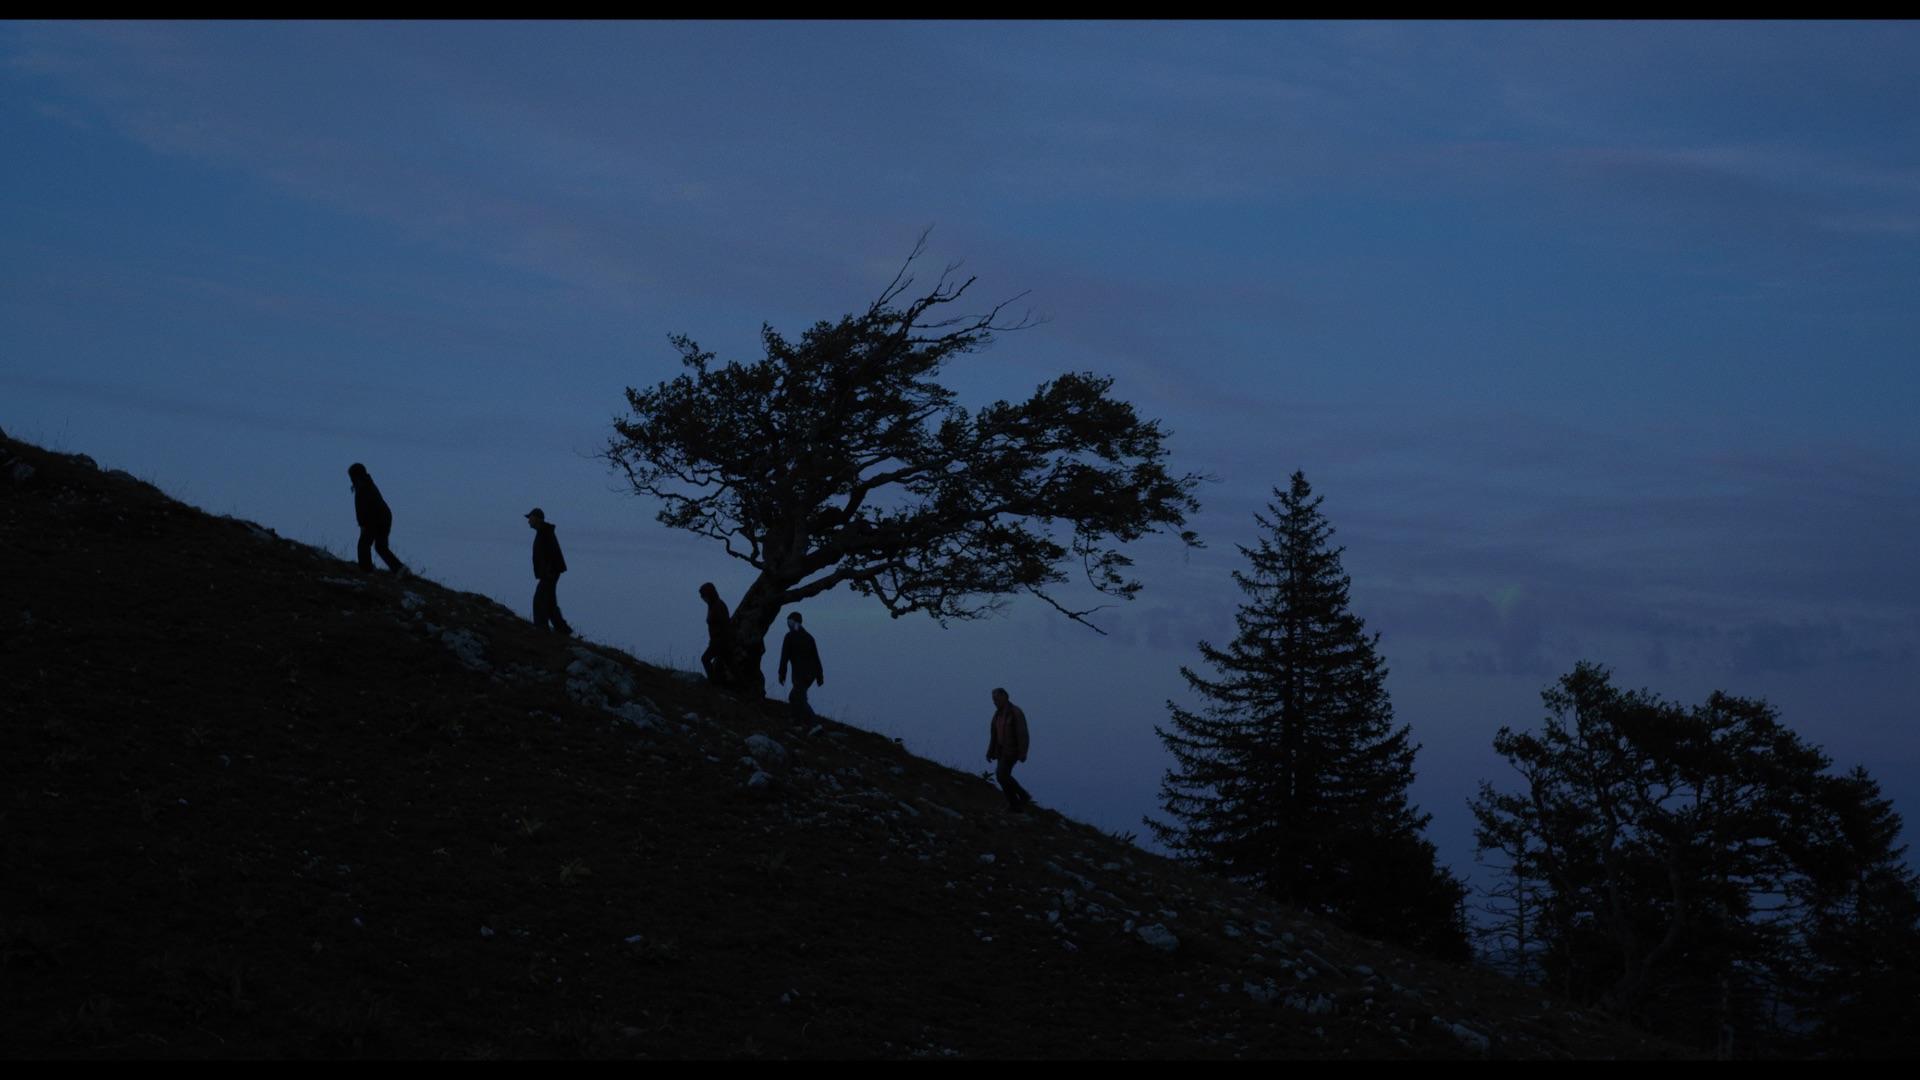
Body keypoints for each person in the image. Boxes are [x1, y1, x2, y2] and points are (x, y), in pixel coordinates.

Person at [347, 463, 406, 576]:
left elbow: (361, 506)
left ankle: (366, 572)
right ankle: (400, 569)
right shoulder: (369, 483)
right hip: (385, 515)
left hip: (375, 517)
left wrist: (362, 524)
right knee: (381, 547)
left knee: (363, 544)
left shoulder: (360, 486)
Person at [525, 508, 573, 636]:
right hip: (550, 572)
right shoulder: (544, 531)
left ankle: (541, 627)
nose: (528, 521)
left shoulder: (544, 532)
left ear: (537, 518)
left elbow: (551, 553)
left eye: (530, 518)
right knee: (550, 601)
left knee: (540, 599)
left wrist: (549, 570)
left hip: (550, 572)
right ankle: (563, 629)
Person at [986, 687, 1033, 813]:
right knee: (1002, 777)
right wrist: (990, 751)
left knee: (1001, 774)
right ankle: (1014, 804)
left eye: (997, 699)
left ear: (1004, 697)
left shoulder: (1015, 712)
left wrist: (1023, 752)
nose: (995, 702)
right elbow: (994, 735)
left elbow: (1022, 734)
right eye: (993, 700)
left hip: (1012, 750)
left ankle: (1023, 795)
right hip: (1000, 751)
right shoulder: (997, 715)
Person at [776, 611, 824, 723]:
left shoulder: (789, 637)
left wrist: (781, 673)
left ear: (791, 623)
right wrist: (819, 675)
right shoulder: (809, 637)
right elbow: (816, 657)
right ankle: (797, 722)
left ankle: (814, 725)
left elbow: (784, 656)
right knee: (794, 697)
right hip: (812, 673)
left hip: (800, 673)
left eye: (789, 623)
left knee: (800, 699)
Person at [699, 582, 732, 687]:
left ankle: (714, 684)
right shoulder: (712, 607)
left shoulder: (719, 606)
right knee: (731, 665)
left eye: (704, 595)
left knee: (705, 659)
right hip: (716, 641)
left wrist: (727, 640)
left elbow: (725, 625)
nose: (703, 599)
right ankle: (742, 687)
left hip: (721, 641)